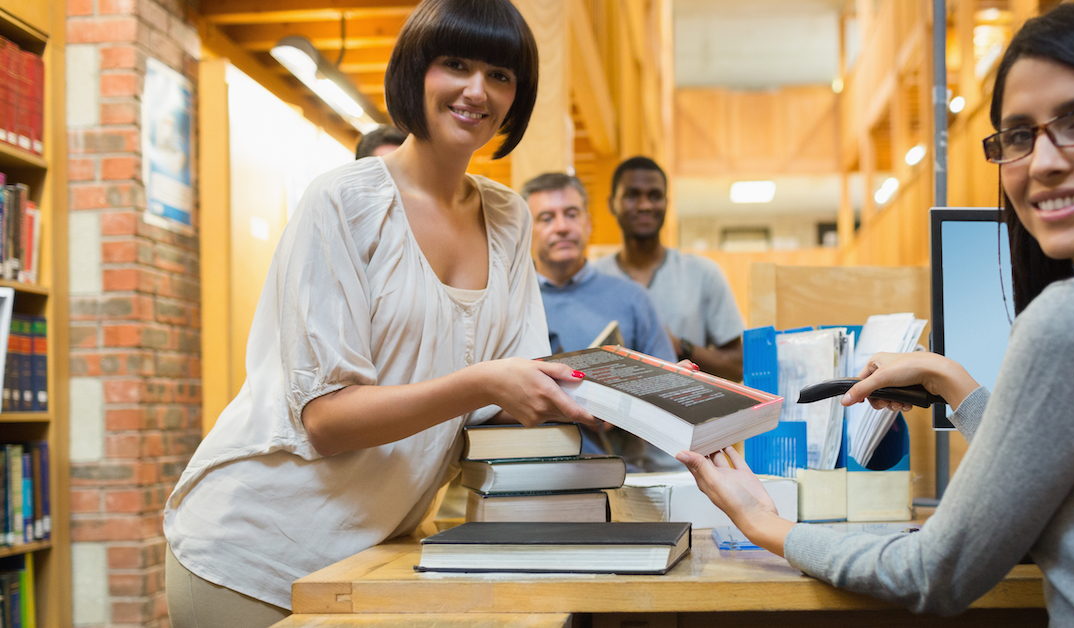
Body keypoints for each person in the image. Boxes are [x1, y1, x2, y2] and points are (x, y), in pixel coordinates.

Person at [676, 3, 1074, 624]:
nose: (1042, 163)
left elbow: (935, 571)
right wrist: (952, 381)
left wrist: (764, 522)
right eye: (1019, 135)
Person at [162, 2, 597, 626]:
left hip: (372, 555)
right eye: (456, 64)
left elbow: (511, 390)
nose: (478, 90)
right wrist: (484, 382)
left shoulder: (509, 217)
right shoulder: (344, 201)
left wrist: (618, 389)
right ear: (417, 71)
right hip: (254, 553)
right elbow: (326, 420)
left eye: (500, 75)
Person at [522, 171, 684, 472]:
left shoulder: (633, 298)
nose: (561, 227)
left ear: (588, 223)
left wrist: (623, 407)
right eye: (546, 218)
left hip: (624, 474)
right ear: (525, 230)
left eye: (571, 214)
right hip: (531, 471)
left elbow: (670, 393)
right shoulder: (509, 301)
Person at [595, 157, 746, 381]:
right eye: (632, 195)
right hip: (610, 414)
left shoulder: (703, 273)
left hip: (687, 412)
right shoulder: (593, 278)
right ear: (611, 204)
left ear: (666, 203)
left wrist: (680, 346)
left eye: (655, 196)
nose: (645, 205)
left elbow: (738, 367)